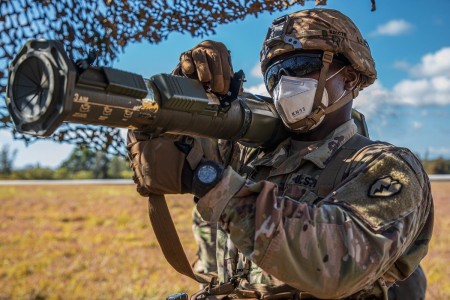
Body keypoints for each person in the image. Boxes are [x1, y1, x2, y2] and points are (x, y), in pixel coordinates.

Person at [127, 8, 434, 300]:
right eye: (276, 73)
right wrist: (181, 92)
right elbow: (159, 165)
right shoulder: (249, 155)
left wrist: (216, 186)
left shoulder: (387, 167)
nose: (285, 83)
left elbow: (338, 265)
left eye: (301, 67)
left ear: (350, 78)